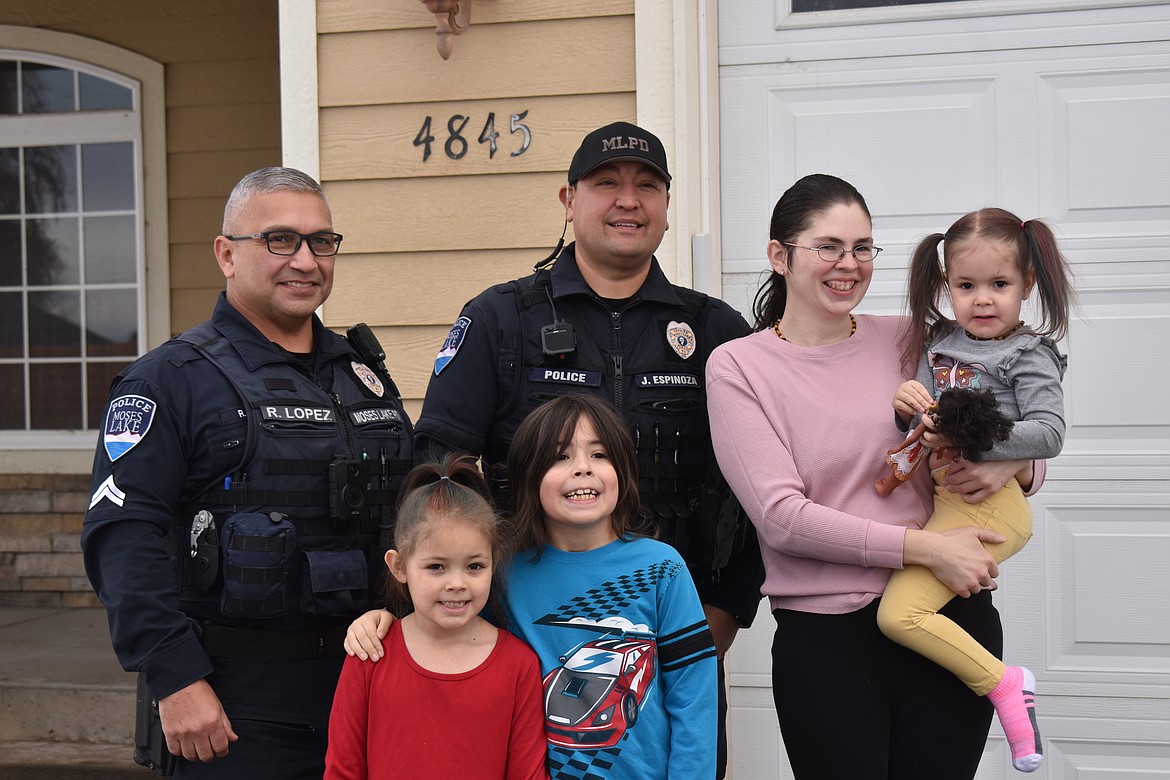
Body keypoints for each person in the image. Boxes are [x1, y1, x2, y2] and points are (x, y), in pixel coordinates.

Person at [412, 120, 763, 776]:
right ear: (568, 200)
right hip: (532, 647)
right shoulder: (500, 320)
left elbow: (761, 486)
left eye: (648, 186)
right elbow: (439, 468)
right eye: (607, 184)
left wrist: (726, 612)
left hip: (680, 635)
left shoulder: (716, 329)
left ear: (665, 206)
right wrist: (479, 614)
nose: (629, 200)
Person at [705, 174, 1049, 780]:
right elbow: (781, 518)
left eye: (863, 247)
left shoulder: (915, 337)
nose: (849, 264)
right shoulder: (739, 366)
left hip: (949, 616)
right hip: (829, 640)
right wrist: (926, 547)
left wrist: (1015, 465)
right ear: (779, 256)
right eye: (829, 247)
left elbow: (1018, 424)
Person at [81, 166, 414, 779]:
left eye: (322, 241)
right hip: (238, 704)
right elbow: (122, 536)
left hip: (367, 684)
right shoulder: (170, 379)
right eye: (280, 240)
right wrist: (175, 676)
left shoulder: (360, 374)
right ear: (226, 254)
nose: (306, 260)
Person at [347, 394, 717, 778]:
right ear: (529, 477)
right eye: (560, 457)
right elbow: (447, 634)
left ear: (624, 471)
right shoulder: (500, 572)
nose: (582, 470)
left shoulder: (660, 567)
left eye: (600, 455)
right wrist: (382, 620)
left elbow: (693, 695)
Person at [874, 207, 1071, 773]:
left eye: (999, 285)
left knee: (898, 617)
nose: (983, 300)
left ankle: (1007, 686)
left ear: (1027, 284)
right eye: (966, 286)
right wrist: (905, 408)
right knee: (901, 617)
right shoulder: (939, 345)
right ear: (946, 286)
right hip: (949, 504)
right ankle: (1009, 697)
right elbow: (922, 427)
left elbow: (1049, 432)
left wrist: (988, 450)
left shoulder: (1027, 354)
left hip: (994, 511)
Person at [325, 455, 549, 780]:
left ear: (494, 562)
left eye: (474, 566)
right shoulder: (370, 653)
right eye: (436, 567)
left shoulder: (519, 665)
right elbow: (342, 770)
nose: (456, 583)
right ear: (399, 566)